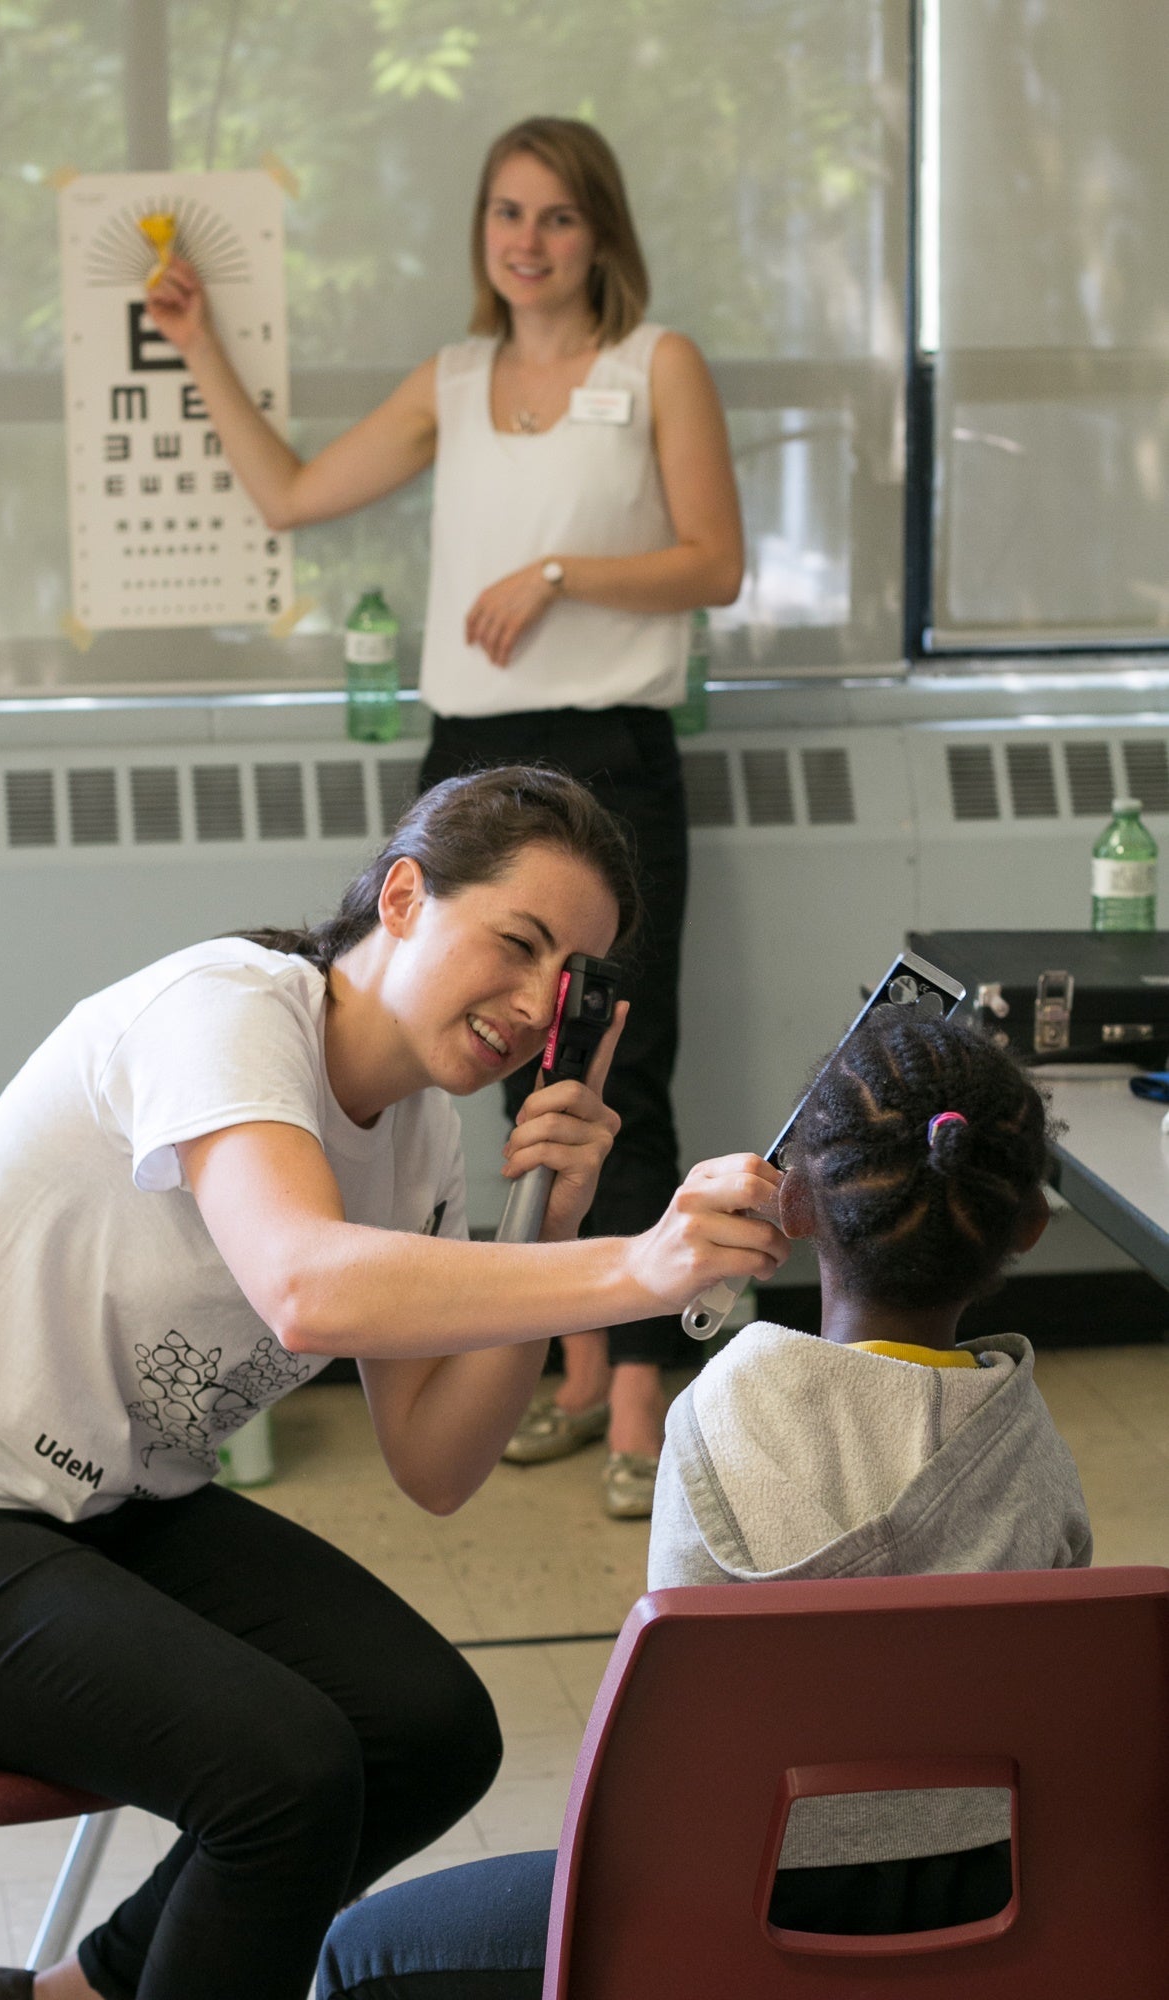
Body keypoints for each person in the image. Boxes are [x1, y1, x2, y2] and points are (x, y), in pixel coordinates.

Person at [0, 766, 787, 2000]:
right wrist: (636, 1264)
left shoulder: (421, 1135)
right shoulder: (226, 1009)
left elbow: (436, 1463)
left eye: (565, 984)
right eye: (513, 941)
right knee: (281, 1773)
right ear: (402, 895)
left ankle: (64, 1997)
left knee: (429, 1731)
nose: (527, 1004)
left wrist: (545, 1218)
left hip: (94, 1509)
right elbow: (305, 1286)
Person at [145, 114, 746, 1519]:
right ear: (482, 233)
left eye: (555, 217)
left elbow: (713, 560)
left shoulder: (655, 366)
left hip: (610, 747)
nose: (527, 242)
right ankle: (567, 1365)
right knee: (485, 1061)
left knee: (611, 1068)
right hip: (472, 760)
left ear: (600, 234)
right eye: (506, 215)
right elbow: (291, 491)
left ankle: (636, 1403)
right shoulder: (456, 377)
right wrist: (194, 346)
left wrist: (556, 571)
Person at [313, 1010, 1092, 1999]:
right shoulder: (1036, 1454)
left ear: (793, 1201)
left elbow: (667, 1784)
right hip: (983, 1914)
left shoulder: (721, 1416)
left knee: (359, 1955)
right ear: (1027, 1223)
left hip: (726, 1919)